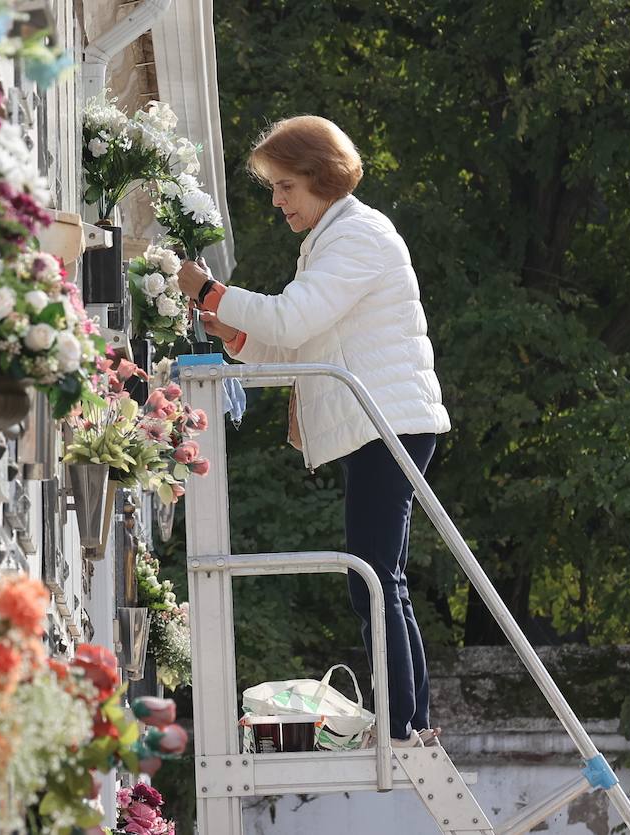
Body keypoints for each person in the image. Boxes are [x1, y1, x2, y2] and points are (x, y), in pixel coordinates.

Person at [175, 115, 451, 746]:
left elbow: (296, 321)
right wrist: (237, 334)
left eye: (285, 187)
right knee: (379, 576)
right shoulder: (336, 239)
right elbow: (303, 341)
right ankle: (409, 720)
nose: (276, 202)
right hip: (380, 423)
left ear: (321, 178)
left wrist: (212, 293)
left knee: (376, 577)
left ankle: (405, 725)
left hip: (387, 424)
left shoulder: (358, 237)